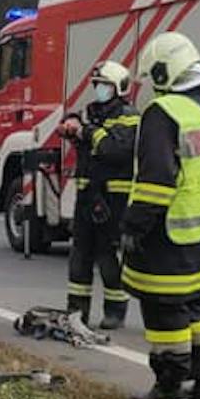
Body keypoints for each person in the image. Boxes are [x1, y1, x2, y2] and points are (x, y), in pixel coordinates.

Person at [121, 32, 200, 399]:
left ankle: (170, 387)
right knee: (197, 306)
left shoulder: (163, 113)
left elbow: (157, 180)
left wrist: (133, 225)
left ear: (164, 71)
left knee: (164, 310)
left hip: (168, 229)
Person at [61, 60, 138, 329]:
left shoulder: (128, 116)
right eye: (97, 85)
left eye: (104, 85)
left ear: (118, 87)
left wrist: (88, 132)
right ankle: (76, 312)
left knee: (108, 255)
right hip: (87, 194)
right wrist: (71, 123)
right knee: (80, 255)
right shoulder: (92, 113)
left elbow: (114, 150)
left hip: (113, 198)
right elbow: (75, 126)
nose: (99, 90)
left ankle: (115, 310)